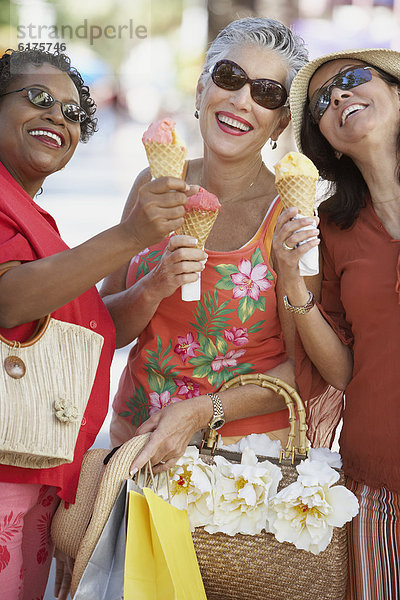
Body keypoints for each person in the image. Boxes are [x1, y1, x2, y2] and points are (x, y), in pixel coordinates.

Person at [0, 48, 195, 600]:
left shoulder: (33, 216)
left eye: (71, 112)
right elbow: (10, 302)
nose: (57, 117)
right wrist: (131, 236)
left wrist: (152, 286)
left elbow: (68, 335)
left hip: (33, 480)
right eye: (38, 98)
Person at [101, 17, 311, 473]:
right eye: (230, 77)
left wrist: (199, 412)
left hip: (241, 471)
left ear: (281, 121)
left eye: (267, 93)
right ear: (201, 90)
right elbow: (104, 331)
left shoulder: (290, 214)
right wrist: (153, 287)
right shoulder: (153, 185)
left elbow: (303, 370)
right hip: (136, 449)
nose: (241, 101)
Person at [273, 48, 400, 599]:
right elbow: (346, 373)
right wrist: (293, 285)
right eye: (324, 101)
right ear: (325, 142)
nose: (340, 96)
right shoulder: (333, 227)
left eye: (351, 80)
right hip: (377, 481)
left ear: (395, 90)